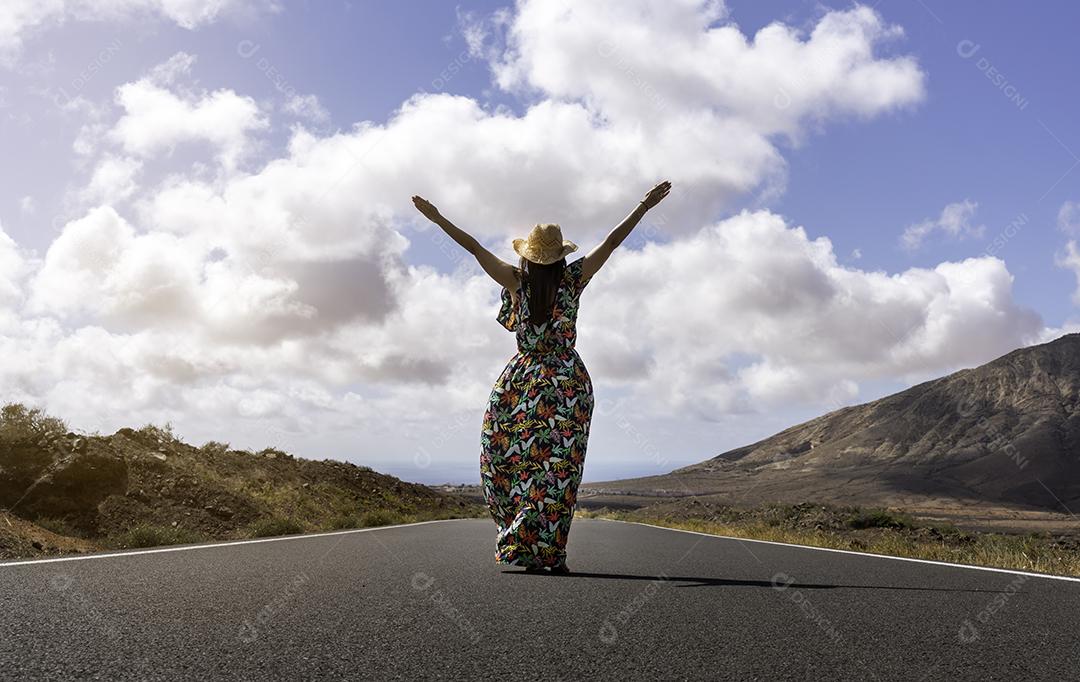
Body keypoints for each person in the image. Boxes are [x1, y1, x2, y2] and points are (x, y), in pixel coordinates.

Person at [411, 180, 672, 574]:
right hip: (567, 383)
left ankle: (524, 541)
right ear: (560, 257)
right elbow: (612, 242)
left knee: (503, 457)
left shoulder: (516, 282)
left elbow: (473, 247)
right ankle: (550, 553)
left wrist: (436, 218)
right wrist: (643, 206)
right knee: (557, 474)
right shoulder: (574, 280)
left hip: (522, 381)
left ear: (529, 258)